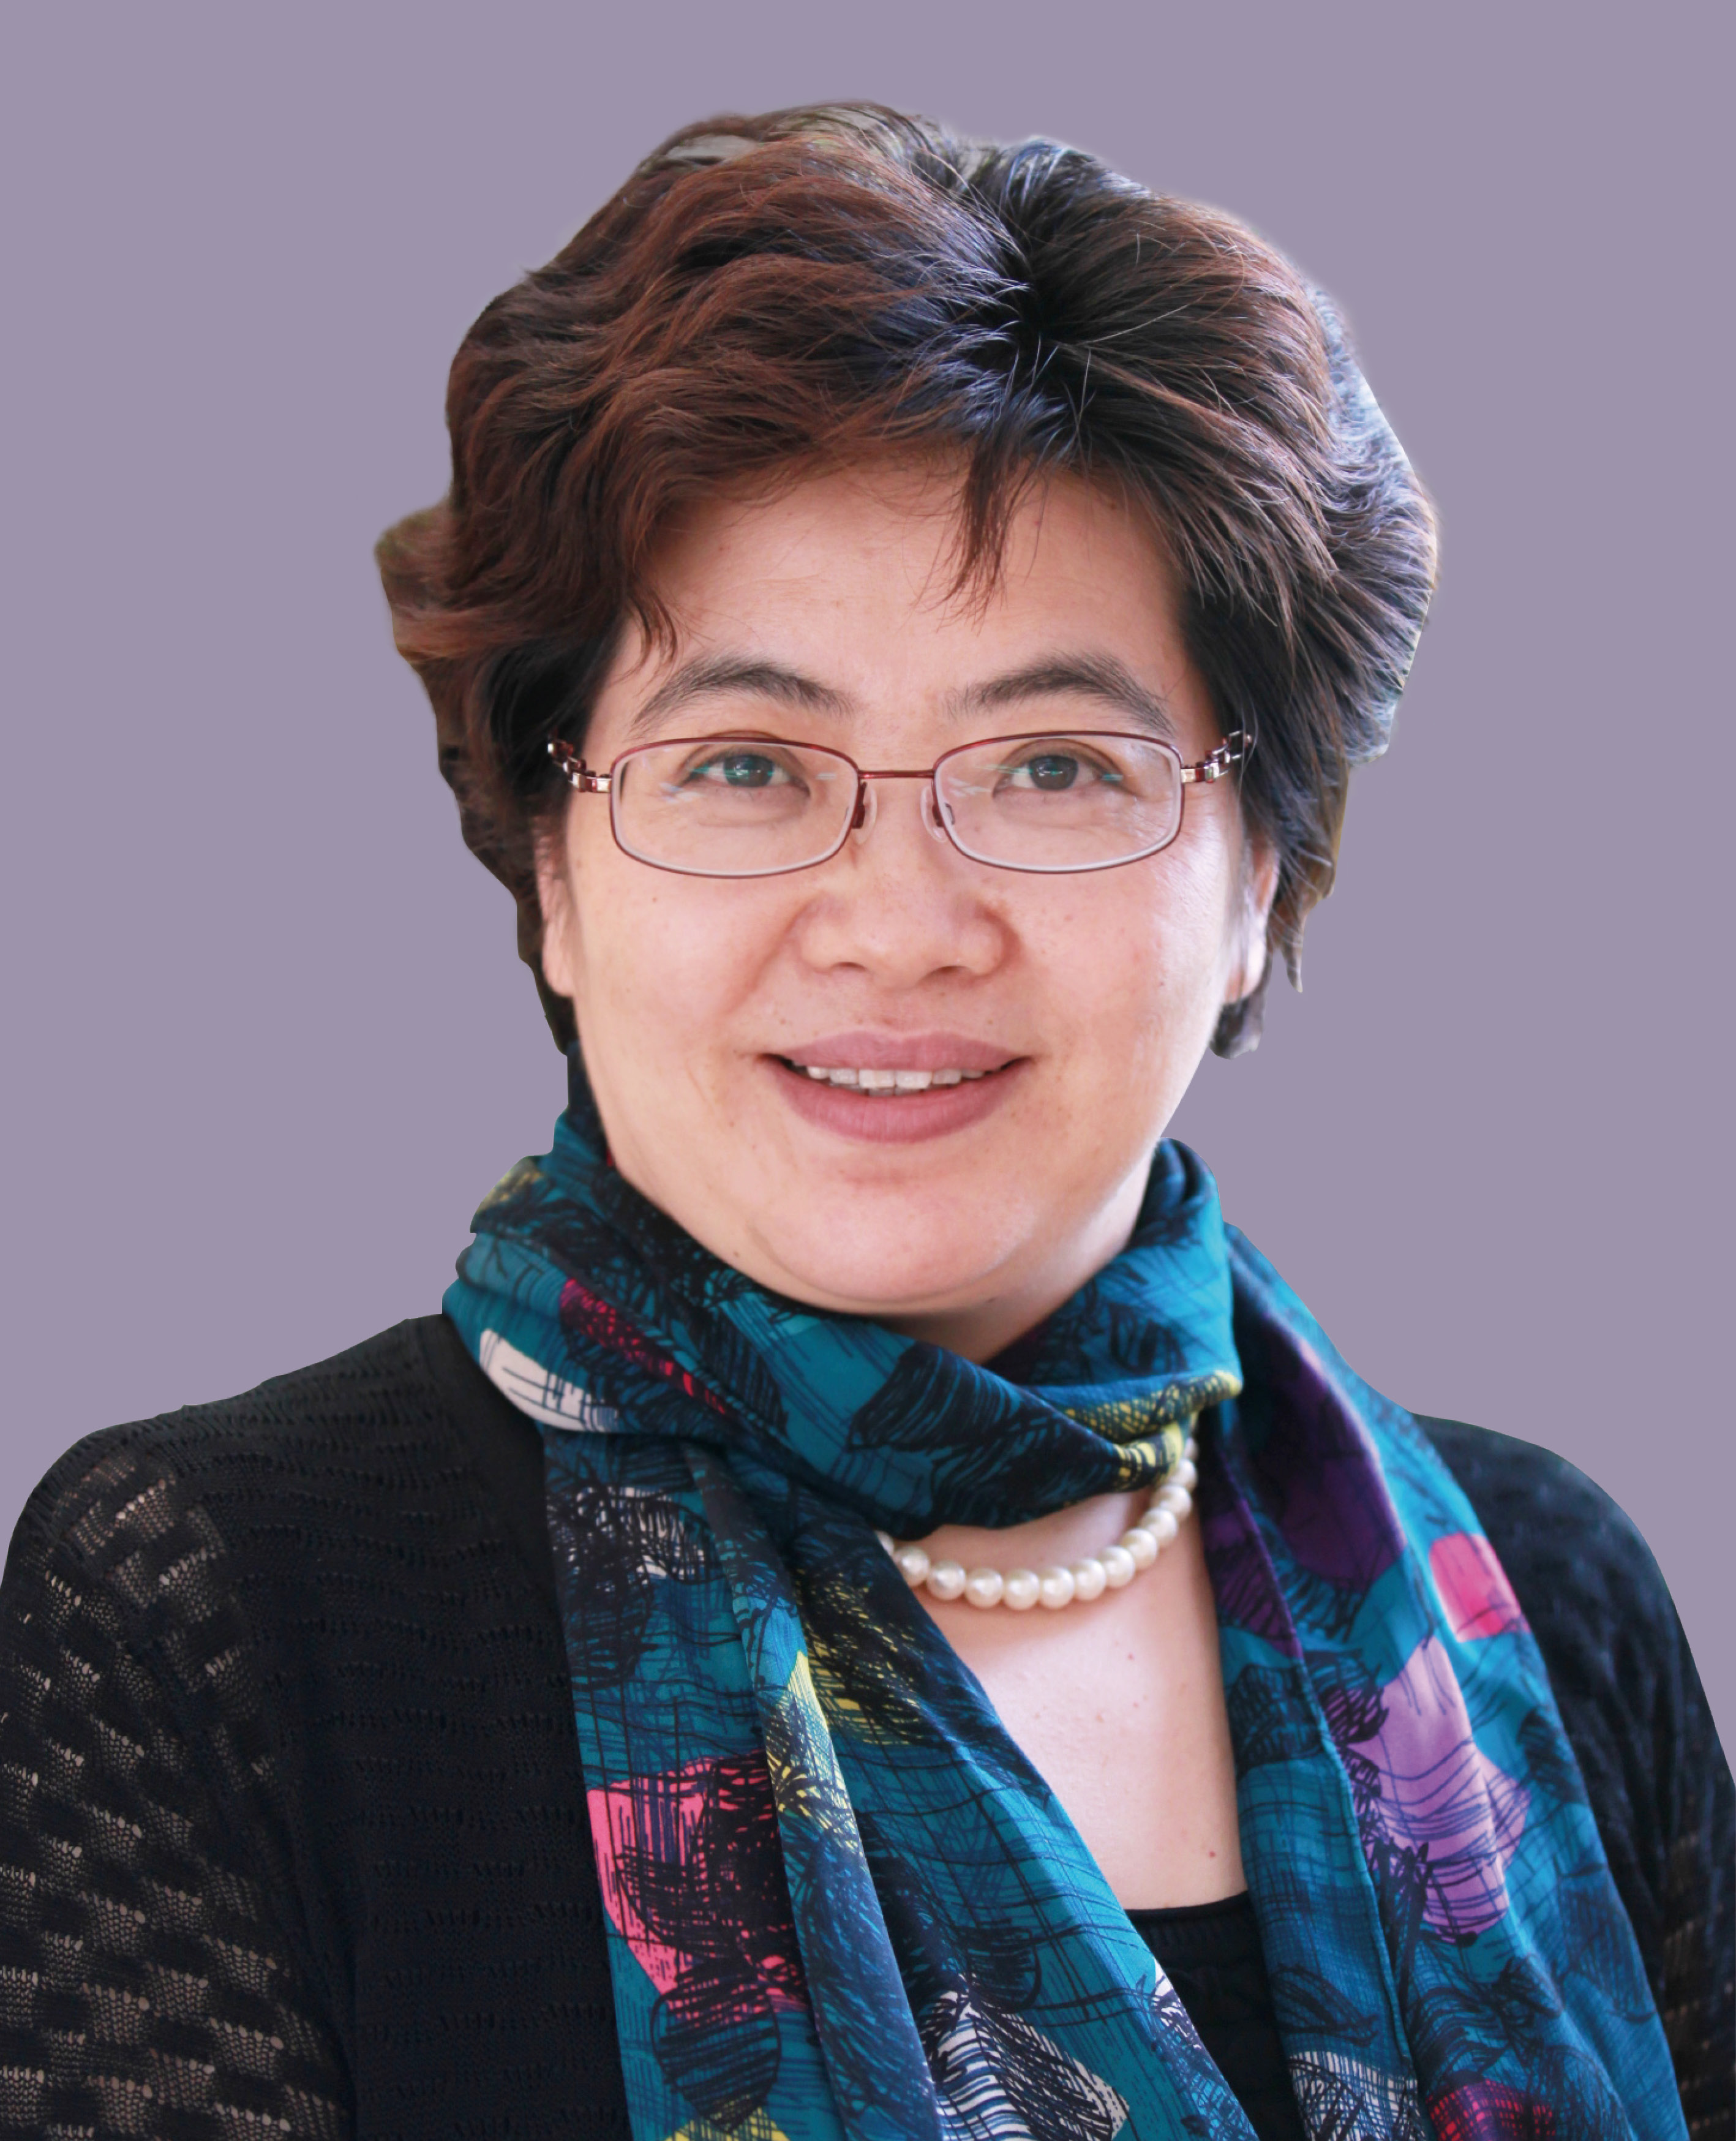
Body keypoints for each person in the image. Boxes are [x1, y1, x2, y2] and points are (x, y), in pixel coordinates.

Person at [0, 103, 1726, 2141]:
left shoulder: (1540, 1594)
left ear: (1259, 877)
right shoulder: (223, 1601)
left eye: (1056, 769)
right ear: (550, 867)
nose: (899, 927)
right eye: (743, 765)